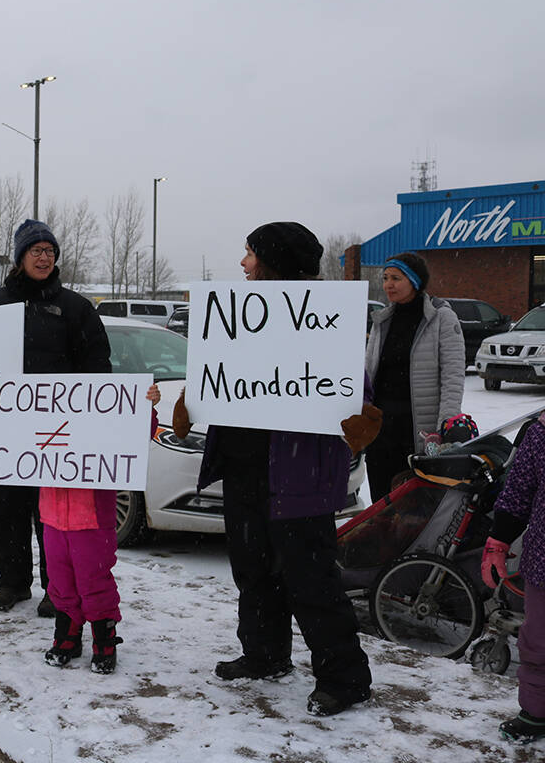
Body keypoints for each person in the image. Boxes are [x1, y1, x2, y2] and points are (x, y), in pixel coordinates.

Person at [173, 221, 380, 717]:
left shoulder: (321, 320)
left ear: (274, 261)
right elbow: (219, 376)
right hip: (245, 469)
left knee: (310, 579)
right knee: (253, 570)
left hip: (298, 477)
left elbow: (353, 394)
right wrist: (191, 401)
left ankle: (344, 677)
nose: (243, 264)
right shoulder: (238, 317)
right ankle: (265, 653)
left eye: (249, 254)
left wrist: (361, 414)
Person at [0, 219, 112, 617]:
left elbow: (97, 366)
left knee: (53, 515)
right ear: (20, 257)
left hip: (57, 429)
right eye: (36, 250)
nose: (44, 257)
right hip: (4, 427)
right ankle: (13, 583)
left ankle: (57, 588)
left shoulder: (75, 308)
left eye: (50, 251)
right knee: (6, 509)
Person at [0, 378, 160, 674]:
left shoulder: (100, 406)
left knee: (94, 581)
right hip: (52, 516)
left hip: (91, 518)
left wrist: (147, 408)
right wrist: (0, 398)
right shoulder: (47, 403)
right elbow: (16, 431)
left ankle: (104, 640)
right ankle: (68, 634)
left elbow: (132, 433)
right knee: (59, 581)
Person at [363, 252, 465, 500]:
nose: (388, 284)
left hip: (418, 432)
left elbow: (453, 376)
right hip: (381, 432)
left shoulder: (441, 317)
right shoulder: (382, 320)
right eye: (386, 278)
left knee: (415, 507)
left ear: (415, 281)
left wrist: (446, 424)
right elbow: (368, 373)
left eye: (396, 278)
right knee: (381, 502)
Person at [483, 412, 545, 745]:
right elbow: (518, 493)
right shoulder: (540, 434)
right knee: (537, 643)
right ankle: (536, 712)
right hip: (544, 563)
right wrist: (498, 542)